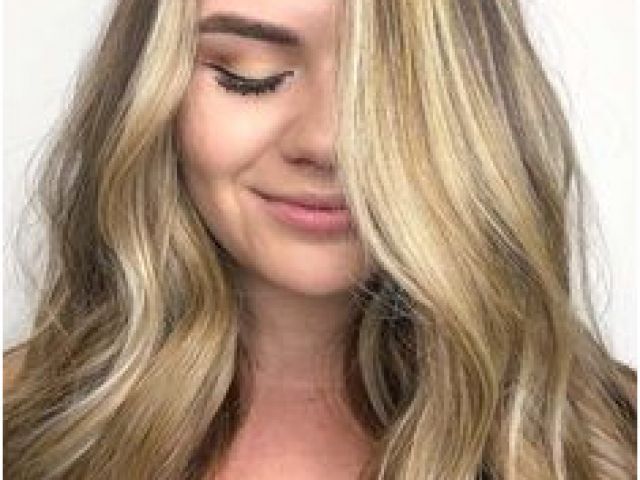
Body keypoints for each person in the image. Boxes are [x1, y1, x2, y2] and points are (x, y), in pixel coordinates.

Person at [3, 0, 636, 478]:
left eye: (391, 87)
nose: (326, 142)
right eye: (250, 75)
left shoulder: (614, 444)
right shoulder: (19, 426)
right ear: (148, 95)